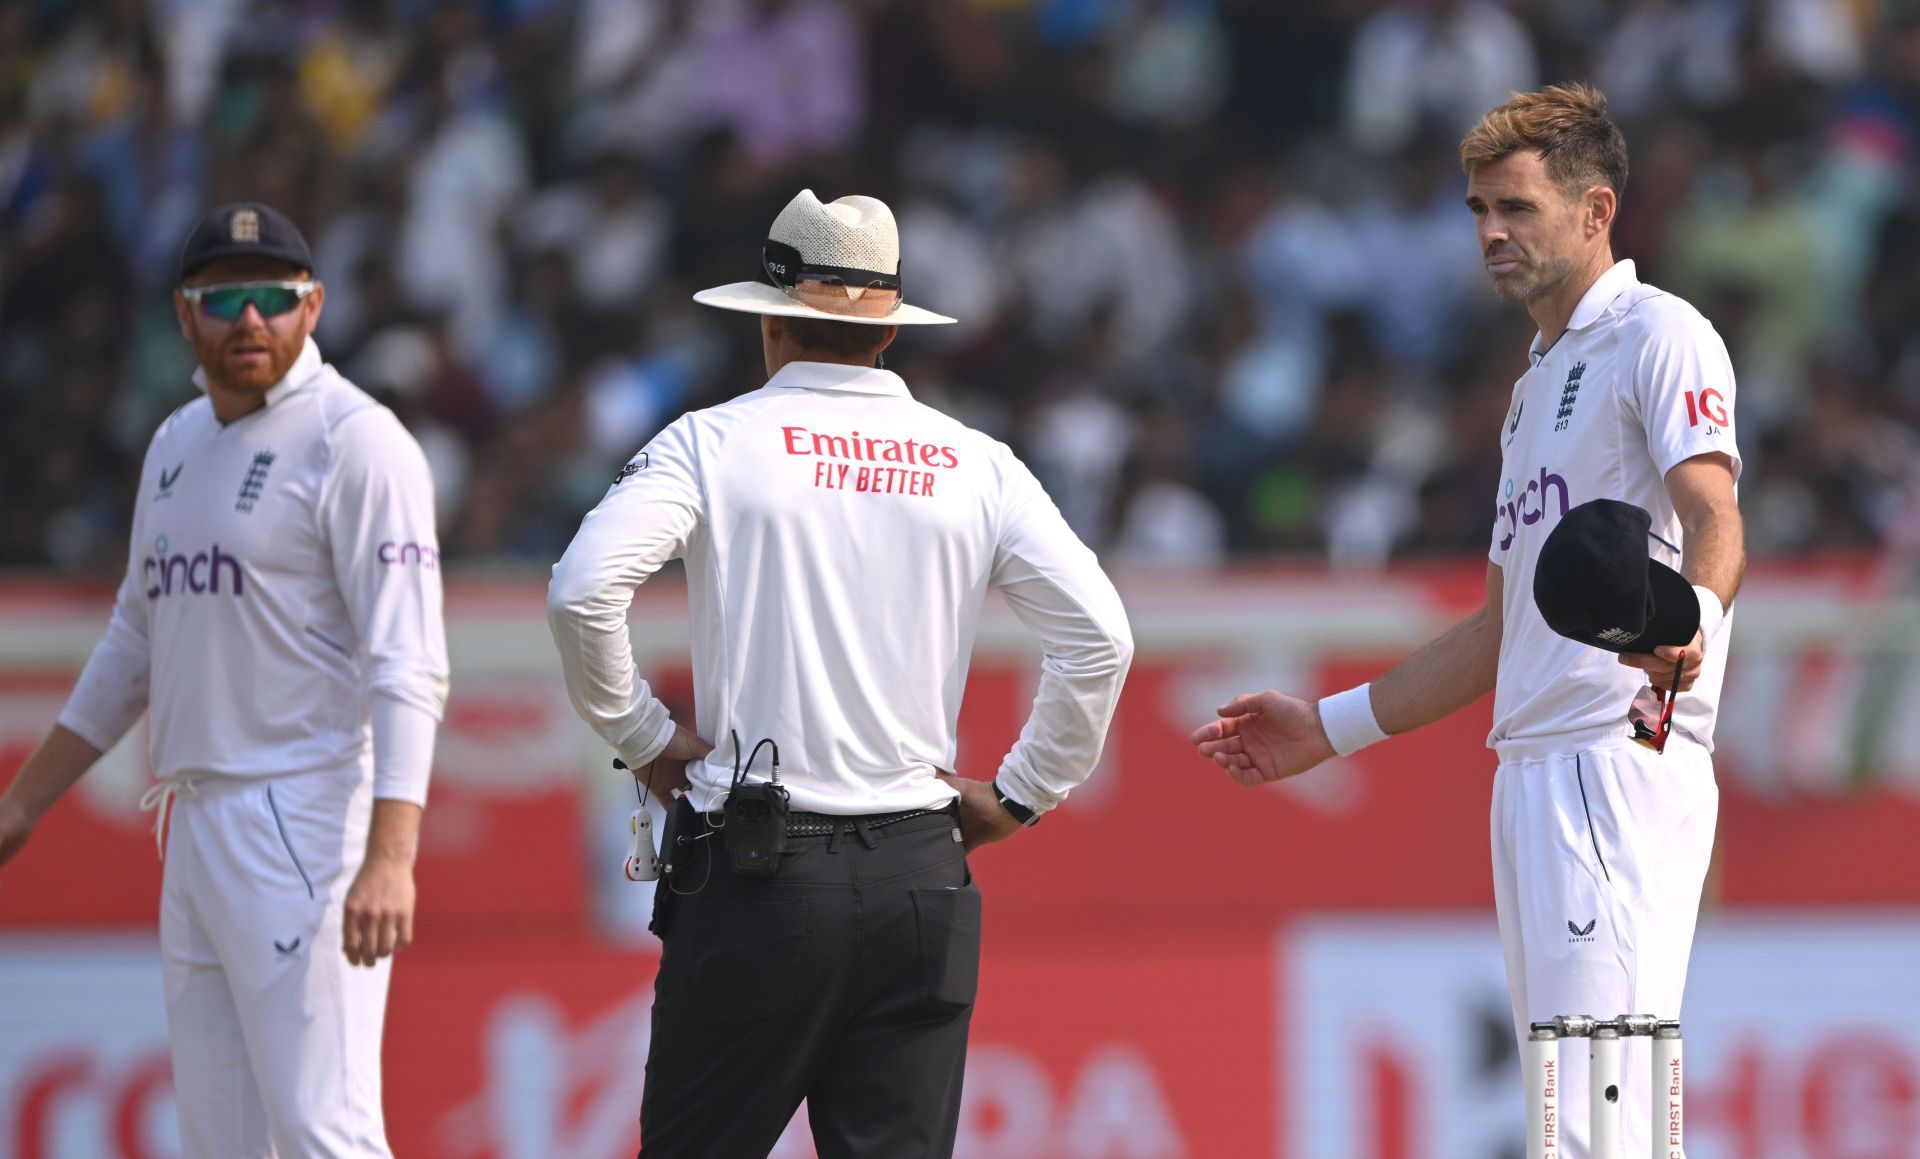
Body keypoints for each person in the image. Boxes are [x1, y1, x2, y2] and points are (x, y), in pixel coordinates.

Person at [1190, 84, 1743, 1158]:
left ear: (1595, 211)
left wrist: (1699, 624)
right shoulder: (1534, 388)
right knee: (1581, 1118)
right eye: (1479, 209)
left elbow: (1714, 506)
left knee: (1600, 1125)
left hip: (1612, 753)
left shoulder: (1660, 334)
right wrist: (1330, 724)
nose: (1491, 231)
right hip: (1533, 768)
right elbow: (1499, 629)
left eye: (1518, 208)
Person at [548, 189, 1133, 1159]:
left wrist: (647, 737)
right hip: (920, 872)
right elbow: (1101, 637)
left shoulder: (713, 441)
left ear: (772, 320)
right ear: (889, 335)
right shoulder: (974, 460)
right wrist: (1022, 795)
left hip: (758, 874)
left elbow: (580, 591)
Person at [0, 202, 449, 1158]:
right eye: (226, 298)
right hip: (195, 819)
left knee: (323, 1130)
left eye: (273, 299)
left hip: (304, 816)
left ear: (314, 305)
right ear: (184, 315)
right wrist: (25, 801)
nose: (251, 320)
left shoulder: (357, 443)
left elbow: (408, 661)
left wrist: (391, 854)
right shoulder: (174, 444)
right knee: (220, 1140)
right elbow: (137, 636)